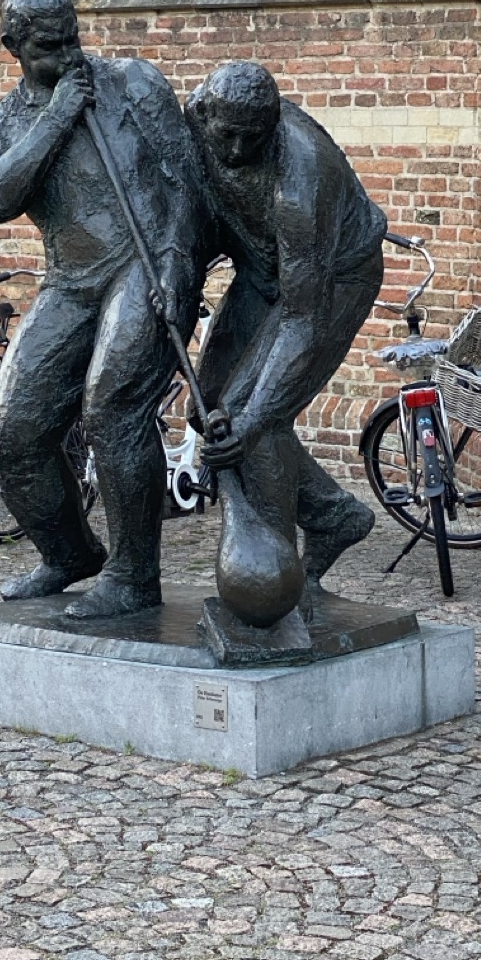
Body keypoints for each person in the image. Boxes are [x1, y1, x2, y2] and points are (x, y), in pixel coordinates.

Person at [0, 0, 206, 618]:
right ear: (12, 46)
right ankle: (71, 553)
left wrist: (177, 265)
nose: (69, 55)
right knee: (12, 434)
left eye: (73, 38)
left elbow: (188, 183)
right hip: (69, 283)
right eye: (49, 47)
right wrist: (58, 116)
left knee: (111, 408)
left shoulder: (131, 84)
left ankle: (134, 576)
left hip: (146, 264)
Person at [185, 61, 386, 595]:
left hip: (334, 279)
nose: (232, 150)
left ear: (272, 127)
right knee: (206, 407)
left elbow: (301, 317)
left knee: (253, 418)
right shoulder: (195, 118)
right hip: (262, 266)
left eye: (251, 140)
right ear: (205, 112)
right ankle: (332, 514)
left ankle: (274, 581)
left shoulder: (301, 184)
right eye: (224, 135)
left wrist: (251, 423)